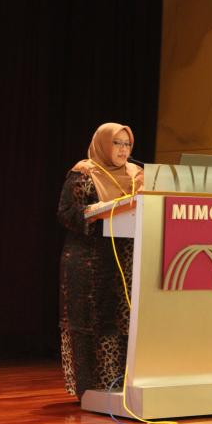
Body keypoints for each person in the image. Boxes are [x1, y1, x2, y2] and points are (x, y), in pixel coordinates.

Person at [57, 123, 143, 399]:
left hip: (127, 261)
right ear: (103, 144)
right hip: (89, 261)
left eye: (127, 144)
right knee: (92, 322)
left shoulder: (137, 174)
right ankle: (92, 391)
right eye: (117, 143)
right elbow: (67, 213)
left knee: (124, 322)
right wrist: (94, 211)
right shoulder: (84, 172)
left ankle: (123, 387)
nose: (123, 150)